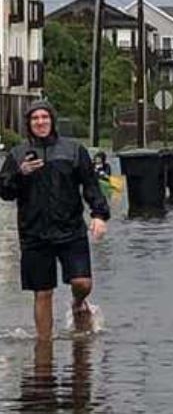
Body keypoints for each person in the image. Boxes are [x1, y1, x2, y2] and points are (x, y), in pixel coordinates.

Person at [0, 101, 110, 341]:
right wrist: (20, 173)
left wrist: (99, 215)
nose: (40, 122)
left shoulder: (73, 150)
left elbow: (91, 185)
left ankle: (78, 302)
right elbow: (5, 192)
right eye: (35, 118)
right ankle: (44, 345)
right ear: (29, 124)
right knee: (42, 292)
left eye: (44, 117)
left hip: (71, 230)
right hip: (34, 232)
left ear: (52, 120)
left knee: (82, 282)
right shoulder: (17, 154)